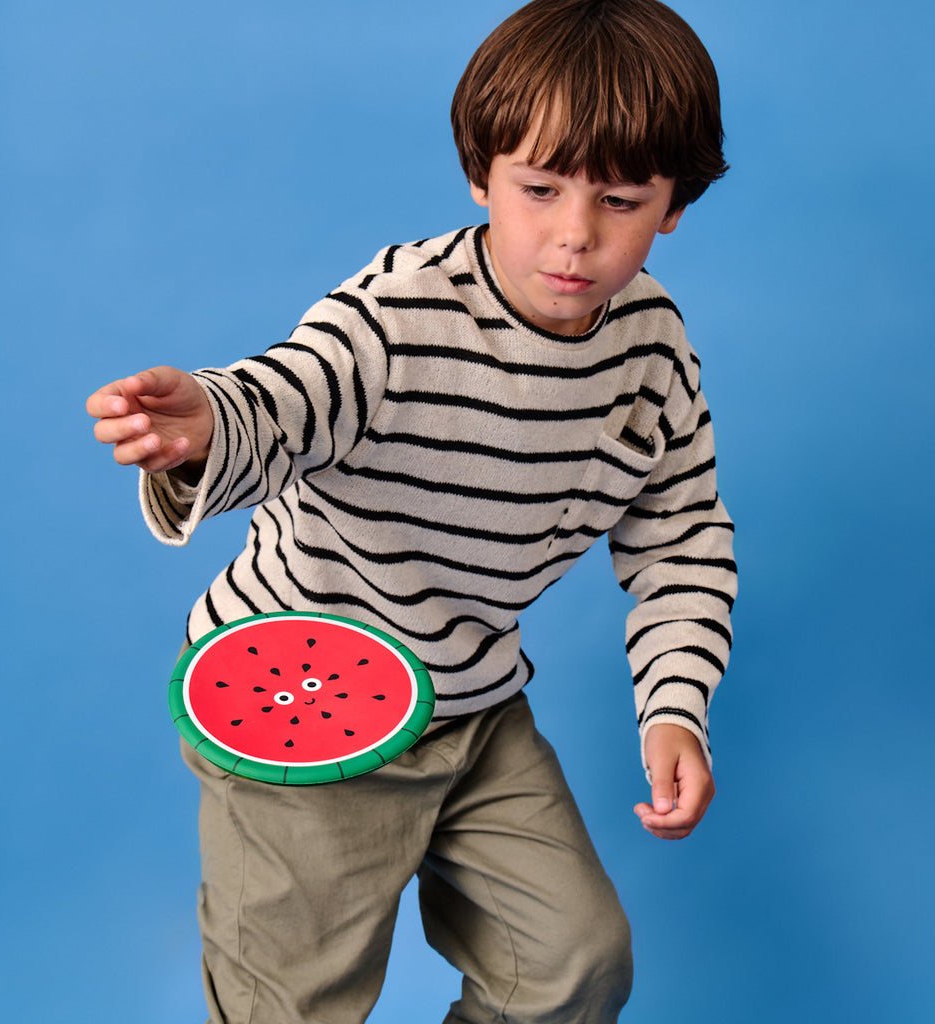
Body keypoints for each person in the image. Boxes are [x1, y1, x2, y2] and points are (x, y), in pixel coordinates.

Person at [86, 1, 737, 1020]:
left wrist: (674, 705)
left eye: (620, 200)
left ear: (674, 206)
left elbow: (681, 538)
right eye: (538, 189)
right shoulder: (396, 312)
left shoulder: (653, 349)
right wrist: (210, 420)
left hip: (472, 699)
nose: (574, 235)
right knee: (288, 1005)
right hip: (296, 690)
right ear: (482, 175)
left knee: (573, 962)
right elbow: (291, 393)